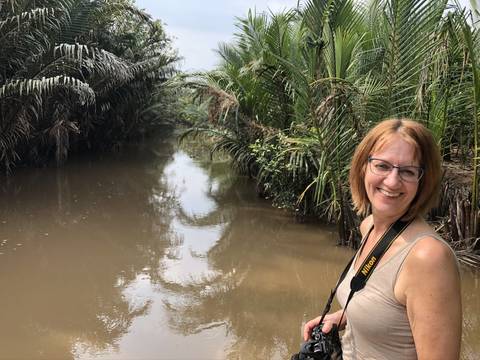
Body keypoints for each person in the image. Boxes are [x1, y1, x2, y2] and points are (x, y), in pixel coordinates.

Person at [303, 119, 462, 359]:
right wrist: (343, 316)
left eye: (408, 171)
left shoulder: (428, 258)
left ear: (422, 182)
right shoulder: (369, 227)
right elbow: (387, 304)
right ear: (363, 167)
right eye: (382, 166)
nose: (392, 181)